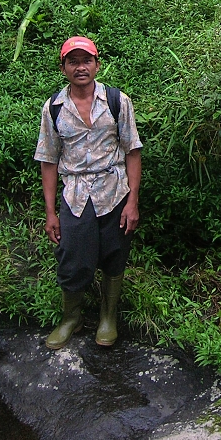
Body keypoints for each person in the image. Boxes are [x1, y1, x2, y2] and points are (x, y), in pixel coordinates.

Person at [34, 36, 143, 349]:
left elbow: (132, 150)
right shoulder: (54, 108)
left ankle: (108, 317)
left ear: (97, 64)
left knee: (115, 252)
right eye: (73, 62)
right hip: (75, 195)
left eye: (86, 61)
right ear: (63, 68)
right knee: (72, 256)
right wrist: (50, 212)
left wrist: (132, 201)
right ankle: (72, 317)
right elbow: (48, 160)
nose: (80, 67)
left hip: (114, 190)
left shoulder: (117, 101)